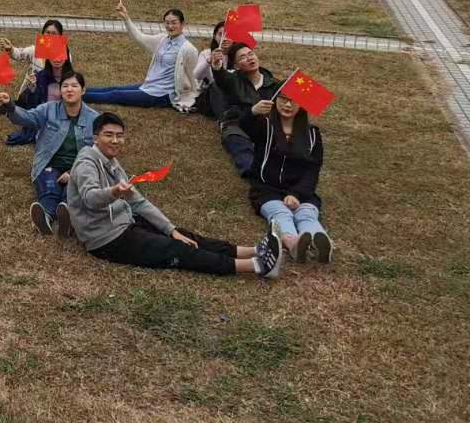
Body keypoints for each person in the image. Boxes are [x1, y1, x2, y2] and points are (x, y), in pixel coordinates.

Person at [66, 112, 284, 278]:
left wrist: (171, 229)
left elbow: (139, 202)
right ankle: (257, 266)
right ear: (96, 137)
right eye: (109, 135)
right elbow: (90, 199)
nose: (115, 140)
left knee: (183, 236)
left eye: (119, 136)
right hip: (105, 239)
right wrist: (114, 192)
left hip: (125, 222)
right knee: (176, 249)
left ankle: (253, 250)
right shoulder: (87, 163)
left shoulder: (111, 162)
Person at [0, 71, 97, 236]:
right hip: (48, 163)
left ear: (83, 90)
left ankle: (68, 216)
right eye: (65, 86)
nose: (69, 89)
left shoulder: (94, 119)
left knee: (73, 190)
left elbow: (96, 152)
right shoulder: (49, 109)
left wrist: (73, 172)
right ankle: (46, 216)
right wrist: (11, 106)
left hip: (78, 167)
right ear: (60, 90)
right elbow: (28, 118)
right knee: (49, 188)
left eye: (74, 86)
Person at [241, 93, 332, 263]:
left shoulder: (312, 134)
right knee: (281, 213)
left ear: (302, 105)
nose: (287, 105)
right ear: (275, 100)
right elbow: (244, 125)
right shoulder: (265, 126)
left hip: (302, 191)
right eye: (283, 99)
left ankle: (320, 242)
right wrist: (253, 112)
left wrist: (297, 194)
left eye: (293, 101)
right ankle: (294, 245)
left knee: (306, 214)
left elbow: (313, 169)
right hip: (267, 189)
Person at [83, 3, 200, 110]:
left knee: (115, 95)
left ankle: (76, 97)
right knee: (114, 89)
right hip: (148, 86)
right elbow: (140, 38)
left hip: (161, 95)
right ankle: (78, 91)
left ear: (182, 24)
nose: (170, 26)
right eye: (167, 23)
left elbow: (194, 76)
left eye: (174, 23)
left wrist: (192, 98)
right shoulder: (162, 39)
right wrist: (126, 19)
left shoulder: (188, 49)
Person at [0, 20, 74, 147]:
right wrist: (10, 49)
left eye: (54, 33)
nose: (50, 36)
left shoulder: (66, 55)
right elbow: (19, 54)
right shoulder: (35, 50)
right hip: (31, 92)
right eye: (47, 32)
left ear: (60, 36)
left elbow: (66, 78)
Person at [207, 42, 280, 177]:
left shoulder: (274, 84)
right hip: (237, 124)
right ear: (236, 66)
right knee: (237, 141)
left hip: (263, 128)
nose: (249, 58)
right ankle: (252, 172)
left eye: (251, 54)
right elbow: (221, 77)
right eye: (243, 57)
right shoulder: (232, 80)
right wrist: (216, 65)